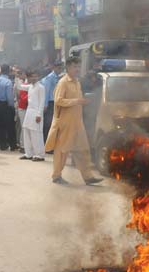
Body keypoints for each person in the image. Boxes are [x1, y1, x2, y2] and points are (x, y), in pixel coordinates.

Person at [45, 57, 102, 186]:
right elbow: (58, 100)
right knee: (62, 151)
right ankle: (56, 176)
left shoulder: (77, 82)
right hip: (65, 122)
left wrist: (84, 100)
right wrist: (77, 101)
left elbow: (78, 99)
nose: (77, 69)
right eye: (75, 67)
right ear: (68, 68)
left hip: (78, 122)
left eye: (78, 67)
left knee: (83, 149)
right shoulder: (63, 82)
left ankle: (88, 177)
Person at [22, 69, 46, 162]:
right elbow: (20, 87)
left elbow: (42, 102)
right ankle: (28, 153)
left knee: (36, 134)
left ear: (38, 76)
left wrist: (39, 114)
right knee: (27, 131)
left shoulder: (41, 87)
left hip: (36, 112)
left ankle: (40, 155)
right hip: (29, 112)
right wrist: (17, 77)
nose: (33, 78)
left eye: (35, 76)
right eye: (31, 76)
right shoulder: (30, 86)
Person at [41, 61, 62, 142]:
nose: (59, 70)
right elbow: (46, 91)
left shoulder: (57, 77)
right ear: (54, 68)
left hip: (55, 103)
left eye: (61, 68)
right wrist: (45, 105)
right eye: (58, 68)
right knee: (48, 124)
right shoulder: (50, 78)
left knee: (53, 123)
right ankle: (46, 143)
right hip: (50, 103)